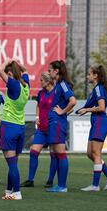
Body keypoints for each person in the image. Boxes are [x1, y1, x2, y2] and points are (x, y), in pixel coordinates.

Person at [76, 65, 107, 191]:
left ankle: (95, 185)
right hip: (96, 123)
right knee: (90, 153)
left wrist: (87, 109)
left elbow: (102, 108)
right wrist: (73, 111)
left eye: (89, 74)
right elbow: (85, 107)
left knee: (96, 153)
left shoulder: (99, 89)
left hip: (100, 122)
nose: (87, 76)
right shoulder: (95, 90)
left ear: (95, 76)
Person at [0, 58, 30, 200]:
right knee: (13, 162)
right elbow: (26, 71)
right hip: (20, 127)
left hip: (9, 126)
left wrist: (8, 61)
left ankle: (17, 193)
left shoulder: (14, 84)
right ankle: (9, 191)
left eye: (8, 74)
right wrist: (18, 64)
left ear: (11, 74)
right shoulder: (25, 85)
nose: (7, 77)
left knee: (11, 163)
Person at [20, 72, 58, 188]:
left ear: (47, 81)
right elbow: (38, 106)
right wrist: (36, 117)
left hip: (52, 129)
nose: (40, 82)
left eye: (41, 80)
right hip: (41, 130)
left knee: (53, 155)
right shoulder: (41, 93)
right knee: (33, 152)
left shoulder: (57, 92)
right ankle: (30, 180)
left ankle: (50, 180)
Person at [46, 60, 77, 193]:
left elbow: (73, 101)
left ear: (56, 71)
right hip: (55, 122)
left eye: (50, 70)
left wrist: (62, 112)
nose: (49, 72)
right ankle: (59, 185)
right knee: (57, 154)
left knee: (61, 153)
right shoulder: (59, 84)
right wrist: (64, 112)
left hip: (58, 123)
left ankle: (62, 186)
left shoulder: (63, 84)